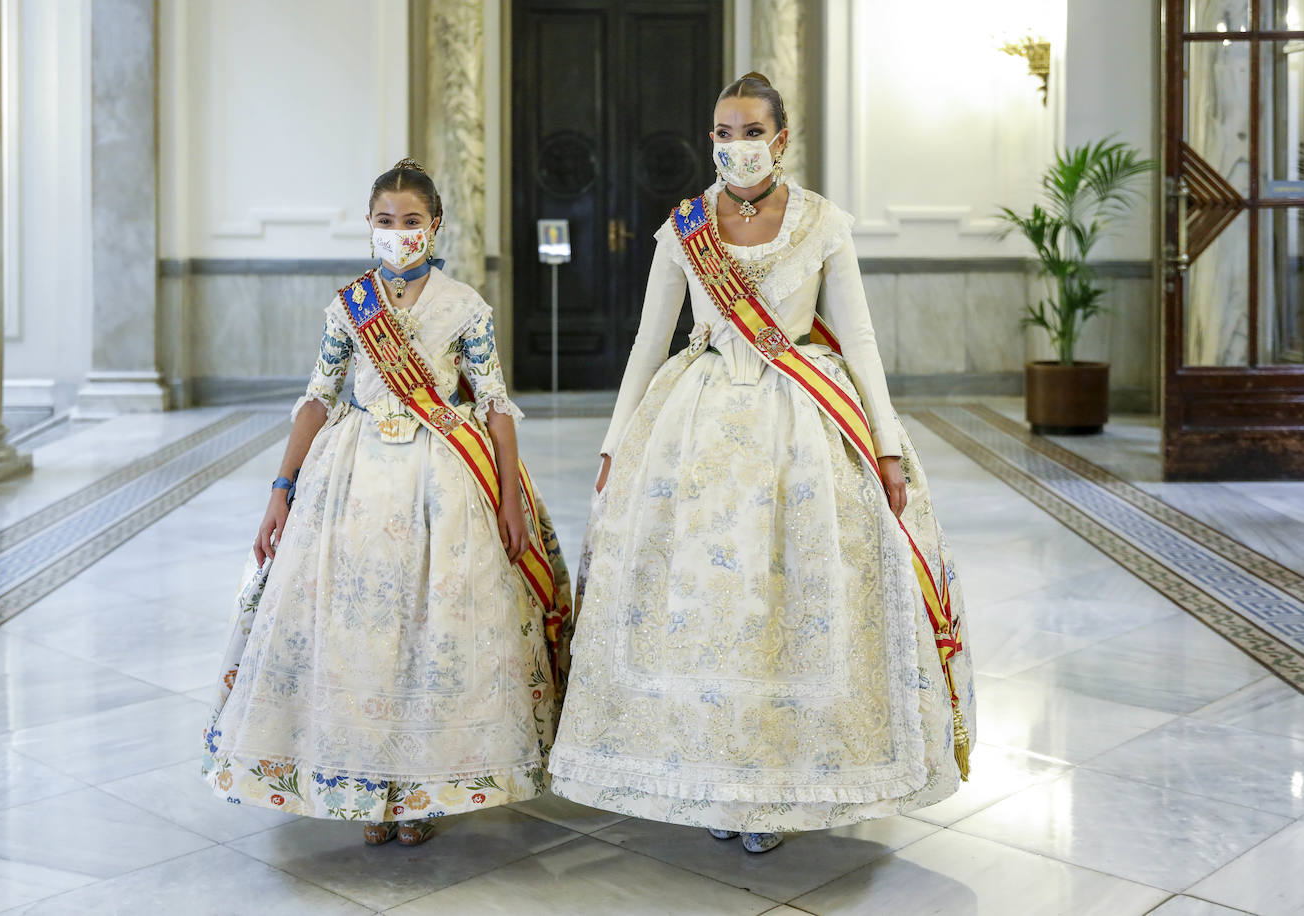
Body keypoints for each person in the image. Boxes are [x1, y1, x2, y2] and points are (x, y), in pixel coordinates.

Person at [548, 74, 975, 853]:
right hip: (696, 421)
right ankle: (713, 775)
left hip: (804, 422)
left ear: (781, 139)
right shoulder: (684, 227)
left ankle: (784, 779)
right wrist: (614, 445)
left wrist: (883, 443)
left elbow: (863, 339)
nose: (732, 146)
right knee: (707, 609)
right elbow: (650, 343)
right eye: (720, 132)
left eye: (748, 131)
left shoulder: (822, 224)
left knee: (788, 606)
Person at [202, 159, 573, 848]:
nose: (397, 233)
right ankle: (366, 785)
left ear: (434, 227)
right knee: (359, 635)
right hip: (353, 476)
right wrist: (280, 491)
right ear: (368, 226)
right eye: (384, 222)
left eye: (410, 222)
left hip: (444, 476)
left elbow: (493, 404)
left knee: (430, 633)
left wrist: (513, 501)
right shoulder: (350, 306)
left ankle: (421, 791)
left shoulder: (464, 305)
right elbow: (319, 395)